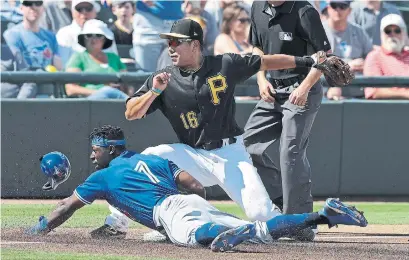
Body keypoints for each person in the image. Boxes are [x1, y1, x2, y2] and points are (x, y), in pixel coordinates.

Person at [117, 18, 341, 242]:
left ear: (195, 45)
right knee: (148, 159)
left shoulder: (224, 64)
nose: (170, 48)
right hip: (192, 155)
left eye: (177, 43)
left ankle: (301, 225)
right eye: (169, 43)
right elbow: (131, 112)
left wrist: (307, 60)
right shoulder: (164, 77)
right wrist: (154, 91)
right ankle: (118, 223)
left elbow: (264, 62)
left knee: (260, 214)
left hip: (230, 154)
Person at [26, 125, 368, 253]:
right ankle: (323, 215)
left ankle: (218, 232)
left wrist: (41, 227)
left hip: (171, 211)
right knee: (262, 231)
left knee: (198, 237)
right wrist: (193, 205)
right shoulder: (153, 160)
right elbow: (191, 183)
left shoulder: (101, 177)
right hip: (187, 201)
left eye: (96, 150)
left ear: (111, 149)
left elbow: (66, 207)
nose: (92, 154)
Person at [241, 0, 332, 240]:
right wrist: (261, 80)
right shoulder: (257, 6)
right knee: (246, 145)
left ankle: (300, 222)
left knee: (290, 152)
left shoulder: (304, 11)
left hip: (302, 88)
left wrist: (303, 88)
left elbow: (323, 57)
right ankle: (281, 200)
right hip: (273, 89)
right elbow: (258, 49)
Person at [65, 19, 128, 99]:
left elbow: (127, 84)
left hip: (117, 101)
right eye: (89, 35)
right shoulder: (78, 57)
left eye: (98, 35)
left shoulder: (114, 57)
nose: (93, 39)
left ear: (104, 39)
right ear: (84, 38)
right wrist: (101, 92)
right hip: (90, 105)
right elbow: (70, 89)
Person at [322, 0, 373, 100]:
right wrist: (347, 66)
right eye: (334, 5)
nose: (338, 10)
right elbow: (314, 63)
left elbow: (372, 58)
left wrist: (366, 65)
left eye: (342, 6)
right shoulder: (319, 31)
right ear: (328, 8)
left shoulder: (358, 31)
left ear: (349, 11)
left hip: (358, 91)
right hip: (328, 90)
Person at [4, 0, 62, 71]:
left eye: (38, 3)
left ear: (43, 8)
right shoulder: (11, 35)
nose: (33, 7)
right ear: (21, 7)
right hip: (24, 81)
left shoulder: (51, 36)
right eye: (28, 3)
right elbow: (20, 66)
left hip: (48, 80)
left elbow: (58, 69)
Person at [363, 14, 409, 100]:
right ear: (382, 34)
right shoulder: (374, 56)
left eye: (397, 31)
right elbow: (374, 92)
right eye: (388, 31)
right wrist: (406, 94)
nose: (392, 34)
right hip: (388, 109)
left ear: (404, 33)